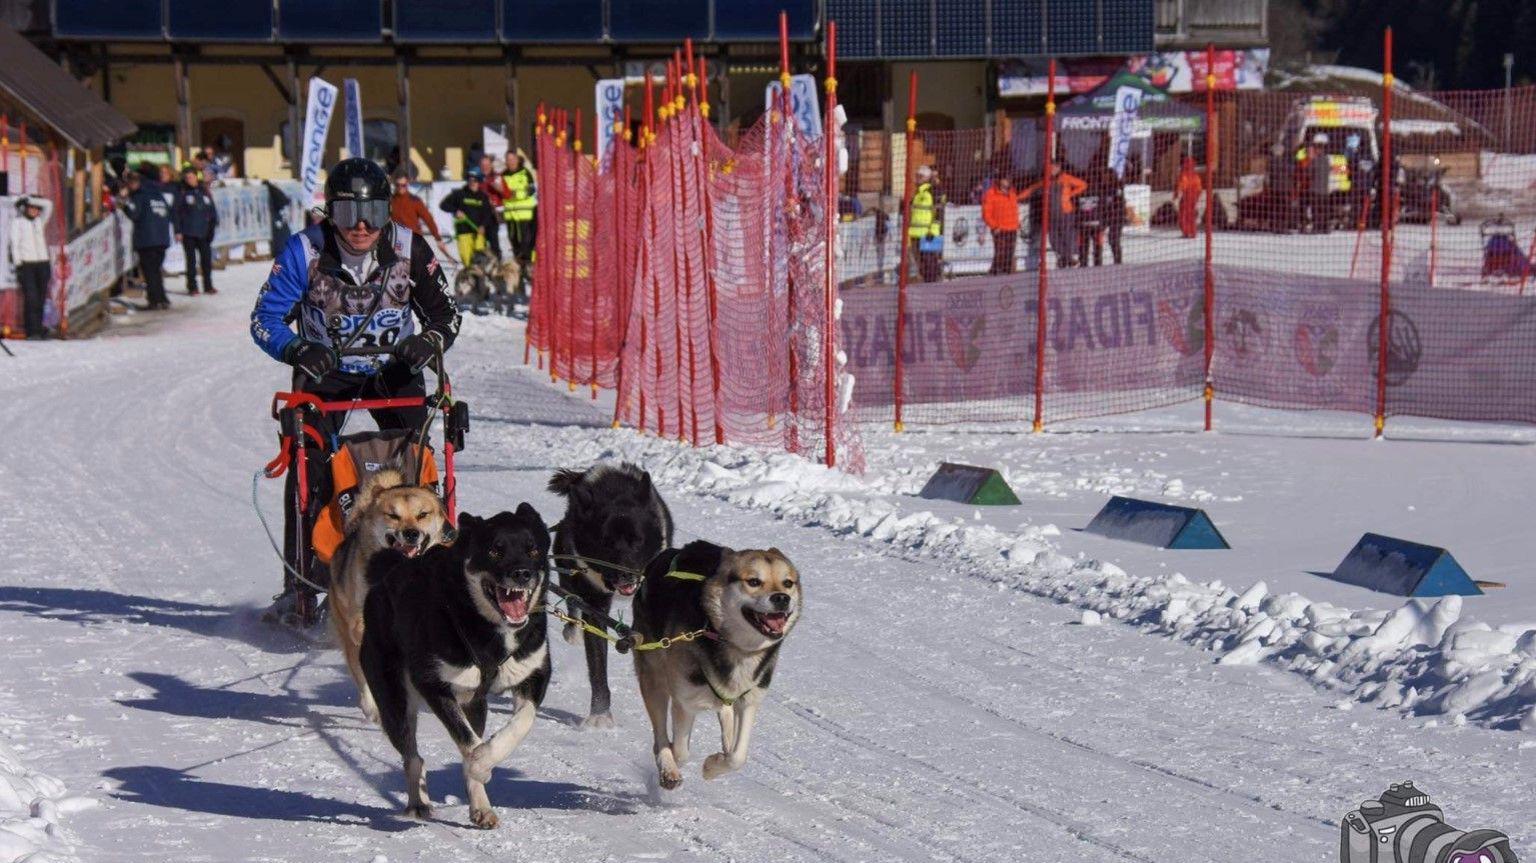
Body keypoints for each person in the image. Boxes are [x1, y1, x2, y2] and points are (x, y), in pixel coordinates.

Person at [249, 157, 461, 622]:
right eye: (347, 214)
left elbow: (448, 316)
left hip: (394, 368)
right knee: (311, 465)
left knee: (418, 463)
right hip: (327, 369)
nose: (361, 226)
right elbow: (263, 321)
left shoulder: (409, 249)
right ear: (330, 214)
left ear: (387, 213)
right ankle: (302, 580)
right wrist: (297, 349)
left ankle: (430, 569)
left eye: (373, 213)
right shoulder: (303, 252)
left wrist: (427, 341)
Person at [120, 167, 174, 310]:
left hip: (147, 239)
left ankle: (155, 300)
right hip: (162, 238)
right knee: (156, 271)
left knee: (150, 272)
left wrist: (124, 202)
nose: (130, 186)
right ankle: (162, 299)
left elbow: (133, 214)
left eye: (131, 183)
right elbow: (167, 213)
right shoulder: (158, 195)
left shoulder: (139, 196)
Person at [1021, 163, 1087, 268]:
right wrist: (1016, 198)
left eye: (1054, 167)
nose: (1052, 169)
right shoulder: (1046, 181)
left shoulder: (1066, 178)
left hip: (1065, 213)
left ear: (1059, 168)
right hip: (1051, 214)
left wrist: (1070, 194)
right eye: (1049, 168)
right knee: (1053, 239)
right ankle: (1067, 258)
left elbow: (1083, 185)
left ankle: (1068, 258)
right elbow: (1031, 189)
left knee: (1067, 236)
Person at [8, 196, 53, 339]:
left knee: (40, 299)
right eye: (31, 208)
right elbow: (14, 244)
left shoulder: (40, 221)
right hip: (27, 264)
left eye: (36, 209)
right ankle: (32, 331)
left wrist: (30, 200)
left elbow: (48, 204)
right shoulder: (18, 223)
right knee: (31, 298)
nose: (34, 211)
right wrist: (18, 264)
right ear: (25, 209)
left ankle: (39, 329)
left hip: (43, 263)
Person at [172, 163, 219, 295]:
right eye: (187, 178)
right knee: (191, 261)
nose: (190, 180)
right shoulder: (182, 193)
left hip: (204, 232)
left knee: (206, 261)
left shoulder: (204, 191)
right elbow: (176, 213)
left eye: (191, 177)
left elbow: (212, 210)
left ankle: (208, 285)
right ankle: (192, 287)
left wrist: (212, 226)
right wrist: (178, 231)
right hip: (188, 232)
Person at [438, 166, 496, 267]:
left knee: (480, 262)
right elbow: (443, 205)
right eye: (470, 180)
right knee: (468, 262)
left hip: (478, 233)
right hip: (463, 233)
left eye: (475, 180)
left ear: (479, 181)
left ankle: (480, 282)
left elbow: (488, 214)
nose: (472, 183)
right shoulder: (459, 194)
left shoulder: (483, 197)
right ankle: (470, 280)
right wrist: (456, 211)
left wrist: (483, 226)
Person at [501, 149, 538, 297]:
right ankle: (520, 285)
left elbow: (531, 190)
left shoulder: (525, 173)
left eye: (513, 159)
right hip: (511, 219)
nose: (510, 162)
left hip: (526, 217)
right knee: (516, 252)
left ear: (518, 160)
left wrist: (516, 193)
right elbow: (501, 193)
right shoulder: (503, 175)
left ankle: (533, 280)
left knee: (527, 251)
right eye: (508, 160)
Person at [390, 174, 452, 257]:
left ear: (407, 184)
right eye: (398, 185)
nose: (400, 187)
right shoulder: (391, 201)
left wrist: (438, 238)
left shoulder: (415, 201)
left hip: (413, 240)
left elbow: (428, 219)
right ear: (395, 185)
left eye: (403, 185)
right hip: (397, 241)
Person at [907, 165, 945, 283]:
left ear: (927, 178)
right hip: (916, 235)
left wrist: (932, 231)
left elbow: (937, 213)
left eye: (921, 176)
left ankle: (933, 285)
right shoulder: (917, 195)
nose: (917, 178)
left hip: (929, 234)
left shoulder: (932, 192)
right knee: (922, 265)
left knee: (930, 263)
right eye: (917, 176)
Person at [980, 175, 1021, 275]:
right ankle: (995, 272)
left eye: (1009, 179)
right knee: (1000, 253)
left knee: (1009, 253)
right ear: (1000, 180)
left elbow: (1014, 209)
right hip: (999, 228)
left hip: (1012, 228)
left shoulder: (1012, 192)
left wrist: (1017, 223)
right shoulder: (991, 193)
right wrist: (994, 226)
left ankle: (1004, 273)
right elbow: (986, 213)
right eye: (1005, 178)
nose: (1008, 181)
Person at [1302, 135, 1333, 234]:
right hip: (1324, 189)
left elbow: (1310, 172)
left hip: (1315, 189)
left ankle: (1317, 227)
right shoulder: (1327, 160)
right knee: (1324, 210)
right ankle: (1325, 227)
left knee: (1316, 210)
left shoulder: (1315, 160)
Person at [478, 154, 506, 261]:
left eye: (487, 165)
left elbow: (504, 192)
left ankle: (498, 264)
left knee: (494, 242)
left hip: (493, 215)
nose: (485, 167)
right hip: (480, 216)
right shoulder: (478, 179)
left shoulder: (496, 177)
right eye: (483, 165)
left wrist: (497, 187)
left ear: (491, 165)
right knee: (481, 244)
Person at [1176, 157, 1202, 239]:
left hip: (1188, 195)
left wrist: (1177, 192)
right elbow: (1199, 188)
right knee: (1191, 215)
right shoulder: (1195, 174)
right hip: (1194, 195)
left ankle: (1187, 232)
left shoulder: (1184, 173)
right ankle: (1191, 232)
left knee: (1184, 214)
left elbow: (1182, 184)